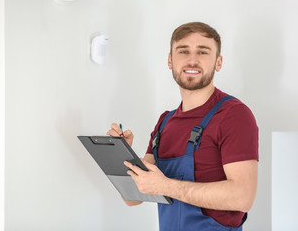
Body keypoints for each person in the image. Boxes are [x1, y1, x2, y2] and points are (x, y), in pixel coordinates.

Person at [106, 22, 258, 231]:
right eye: (183, 51)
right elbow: (133, 198)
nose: (192, 60)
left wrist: (166, 186)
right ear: (170, 60)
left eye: (203, 52)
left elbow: (243, 197)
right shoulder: (165, 122)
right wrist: (123, 155)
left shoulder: (233, 115)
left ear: (218, 62)